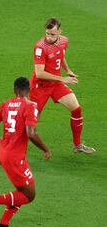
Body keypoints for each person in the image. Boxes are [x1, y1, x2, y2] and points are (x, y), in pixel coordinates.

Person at [0, 77, 51, 227]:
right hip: (14, 157)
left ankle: (2, 225)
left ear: (14, 90)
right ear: (29, 90)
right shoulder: (31, 105)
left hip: (3, 152)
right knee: (29, 195)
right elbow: (31, 133)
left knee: (21, 191)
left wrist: (1, 142)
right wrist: (45, 149)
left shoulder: (5, 104)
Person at [30, 18, 95, 153]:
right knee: (31, 120)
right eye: (47, 33)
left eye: (52, 34)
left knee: (76, 109)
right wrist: (63, 79)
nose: (49, 37)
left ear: (59, 32)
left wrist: (68, 70)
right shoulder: (40, 47)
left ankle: (77, 145)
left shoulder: (64, 41)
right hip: (40, 86)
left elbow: (60, 55)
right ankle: (9, 143)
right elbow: (39, 73)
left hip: (55, 84)